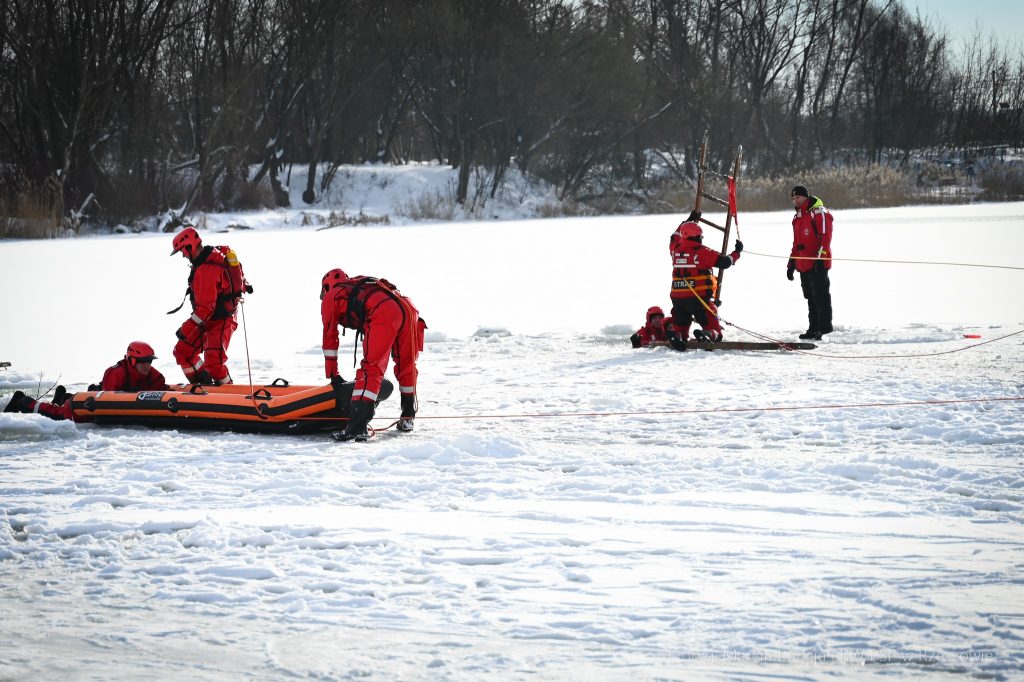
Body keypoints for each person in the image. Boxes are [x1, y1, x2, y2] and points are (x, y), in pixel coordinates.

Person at [321, 268, 425, 441]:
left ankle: (357, 427)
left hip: (384, 310)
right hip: (408, 308)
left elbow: (329, 337)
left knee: (371, 368)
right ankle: (408, 417)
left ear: (326, 287)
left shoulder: (332, 296)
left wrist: (333, 374)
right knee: (407, 366)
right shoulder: (361, 285)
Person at [4, 341, 169, 422]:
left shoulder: (152, 374)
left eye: (150, 361)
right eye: (143, 361)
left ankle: (63, 397)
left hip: (94, 394)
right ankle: (24, 402)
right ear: (132, 360)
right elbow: (109, 402)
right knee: (61, 416)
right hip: (90, 404)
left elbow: (163, 390)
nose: (147, 365)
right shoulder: (117, 373)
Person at [169, 226, 251, 385]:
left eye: (182, 251)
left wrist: (185, 330)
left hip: (221, 320)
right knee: (182, 351)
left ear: (189, 246)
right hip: (208, 319)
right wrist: (244, 285)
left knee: (214, 363)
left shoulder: (206, 269)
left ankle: (229, 394)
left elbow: (205, 310)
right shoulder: (212, 257)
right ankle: (204, 388)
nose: (183, 256)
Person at [667, 210, 742, 350]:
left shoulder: (675, 250)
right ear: (697, 236)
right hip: (698, 299)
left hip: (678, 300)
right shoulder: (702, 252)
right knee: (717, 331)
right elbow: (725, 262)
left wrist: (688, 220)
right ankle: (707, 333)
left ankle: (677, 335)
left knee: (682, 326)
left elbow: (674, 236)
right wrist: (737, 252)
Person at [787, 185, 833, 340]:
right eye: (793, 198)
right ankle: (813, 328)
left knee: (820, 295)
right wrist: (791, 263)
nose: (796, 201)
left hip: (817, 262)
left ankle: (824, 328)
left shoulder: (819, 212)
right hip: (803, 264)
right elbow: (796, 243)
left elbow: (825, 237)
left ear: (806, 197)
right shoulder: (797, 217)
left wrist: (821, 258)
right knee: (810, 297)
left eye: (798, 197)